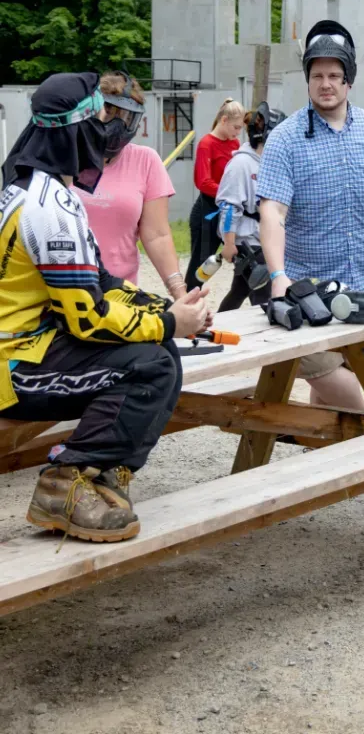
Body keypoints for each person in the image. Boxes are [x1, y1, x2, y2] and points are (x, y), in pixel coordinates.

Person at [0, 72, 210, 543]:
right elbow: (88, 318)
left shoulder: (42, 188)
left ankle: (101, 475)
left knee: (160, 351)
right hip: (13, 365)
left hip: (32, 345)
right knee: (152, 366)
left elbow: (102, 281)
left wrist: (166, 308)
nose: (110, 128)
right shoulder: (48, 207)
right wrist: (171, 321)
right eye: (101, 117)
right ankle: (65, 483)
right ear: (74, 130)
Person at [256, 20, 364, 409]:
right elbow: (272, 211)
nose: (325, 83)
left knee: (347, 372)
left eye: (334, 75)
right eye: (317, 76)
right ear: (307, 80)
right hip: (307, 288)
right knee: (326, 371)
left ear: (349, 81)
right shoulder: (285, 138)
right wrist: (278, 277)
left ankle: (330, 456)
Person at [72, 71, 186, 300]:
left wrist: (180, 293)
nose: (115, 125)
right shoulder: (66, 157)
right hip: (63, 293)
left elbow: (157, 235)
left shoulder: (145, 161)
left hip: (119, 296)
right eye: (108, 114)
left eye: (124, 117)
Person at [216, 102, 284, 312]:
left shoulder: (267, 162)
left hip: (263, 238)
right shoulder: (241, 164)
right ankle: (269, 339)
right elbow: (229, 207)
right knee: (263, 295)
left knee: (239, 291)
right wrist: (229, 242)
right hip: (249, 242)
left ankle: (218, 324)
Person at [185, 97, 245, 291]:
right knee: (202, 264)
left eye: (240, 128)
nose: (238, 132)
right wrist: (230, 193)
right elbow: (202, 181)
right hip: (208, 210)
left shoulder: (235, 144)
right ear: (224, 120)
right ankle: (186, 302)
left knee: (243, 257)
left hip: (229, 209)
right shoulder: (206, 144)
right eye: (235, 127)